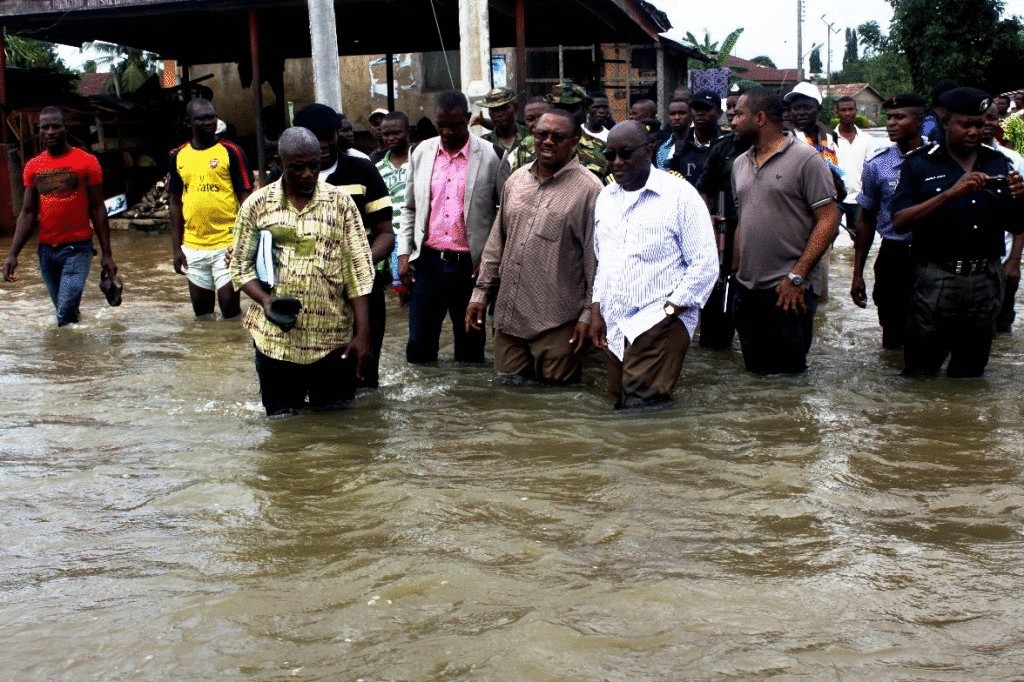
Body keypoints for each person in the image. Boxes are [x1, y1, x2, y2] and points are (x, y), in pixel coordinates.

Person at [230, 127, 375, 416]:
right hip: (275, 341)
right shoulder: (257, 206)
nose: (308, 174)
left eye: (314, 166)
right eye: (298, 168)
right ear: (279, 163)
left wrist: (363, 333)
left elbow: (357, 271)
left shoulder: (341, 204)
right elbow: (240, 266)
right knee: (283, 432)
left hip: (332, 339)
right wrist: (265, 301)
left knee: (338, 428)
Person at [891, 87, 1024, 377]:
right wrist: (950, 195)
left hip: (986, 278)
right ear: (946, 121)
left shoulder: (997, 162)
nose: (974, 131)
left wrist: (1019, 198)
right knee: (921, 369)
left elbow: (1016, 224)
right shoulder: (920, 163)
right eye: (966, 124)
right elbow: (899, 221)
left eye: (980, 124)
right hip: (936, 277)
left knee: (972, 371)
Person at [465, 110, 602, 384]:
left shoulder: (591, 191)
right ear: (533, 137)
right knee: (509, 402)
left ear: (574, 140)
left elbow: (596, 262)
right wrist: (480, 294)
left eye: (558, 136)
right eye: (542, 134)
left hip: (558, 323)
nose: (548, 141)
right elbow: (497, 242)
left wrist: (589, 314)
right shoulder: (515, 181)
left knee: (555, 406)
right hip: (509, 319)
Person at [590, 121, 718, 408]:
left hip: (660, 319)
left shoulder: (681, 196)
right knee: (619, 400)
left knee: (642, 408)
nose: (617, 163)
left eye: (625, 153)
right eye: (610, 155)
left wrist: (672, 309)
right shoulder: (606, 198)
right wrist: (596, 309)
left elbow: (705, 264)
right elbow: (604, 260)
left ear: (649, 151)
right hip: (615, 322)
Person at [731, 88, 840, 374]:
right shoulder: (740, 164)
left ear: (761, 118)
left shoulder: (807, 160)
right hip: (748, 290)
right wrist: (735, 278)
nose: (732, 119)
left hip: (789, 289)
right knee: (755, 375)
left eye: (739, 114)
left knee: (790, 381)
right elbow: (744, 219)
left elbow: (829, 219)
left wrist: (797, 275)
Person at [292, 102, 393, 389]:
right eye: (315, 137)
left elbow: (386, 233)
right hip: (312, 295)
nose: (323, 144)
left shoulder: (362, 170)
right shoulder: (288, 177)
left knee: (365, 376)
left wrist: (359, 264)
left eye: (329, 135)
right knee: (320, 377)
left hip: (362, 288)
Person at [397, 89, 500, 364]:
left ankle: (469, 405)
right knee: (418, 349)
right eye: (440, 125)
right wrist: (404, 254)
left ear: (467, 119)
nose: (447, 131)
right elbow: (409, 208)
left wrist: (488, 261)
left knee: (470, 351)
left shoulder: (491, 156)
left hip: (470, 267)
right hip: (428, 262)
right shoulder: (420, 152)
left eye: (454, 125)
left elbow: (503, 214)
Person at [3, 106, 118, 326]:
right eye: (45, 127)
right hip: (46, 252)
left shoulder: (86, 162)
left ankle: (67, 354)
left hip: (78, 250)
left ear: (65, 128)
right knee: (65, 313)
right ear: (39, 131)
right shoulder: (33, 167)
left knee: (64, 313)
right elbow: (27, 213)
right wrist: (12, 254)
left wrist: (107, 254)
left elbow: (98, 209)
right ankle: (73, 356)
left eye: (56, 126)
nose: (50, 131)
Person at [851, 93, 926, 350]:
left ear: (919, 121)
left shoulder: (940, 160)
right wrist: (857, 273)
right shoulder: (877, 165)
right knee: (892, 329)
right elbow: (866, 220)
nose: (892, 123)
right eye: (890, 117)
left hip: (932, 254)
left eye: (900, 117)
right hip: (894, 255)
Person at [168, 97, 252, 320]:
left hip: (227, 245)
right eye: (202, 118)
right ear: (189, 122)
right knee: (202, 316)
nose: (208, 122)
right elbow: (175, 203)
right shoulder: (178, 156)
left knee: (230, 311)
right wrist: (177, 249)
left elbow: (246, 200)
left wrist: (244, 245)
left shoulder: (232, 152)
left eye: (212, 117)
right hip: (194, 247)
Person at [694, 84, 755, 350]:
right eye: (729, 108)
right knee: (719, 297)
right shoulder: (722, 148)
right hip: (726, 232)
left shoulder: (779, 147)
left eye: (737, 109)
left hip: (762, 236)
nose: (732, 114)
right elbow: (704, 189)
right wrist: (708, 218)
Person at [982, 101, 1024, 333]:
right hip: (966, 268)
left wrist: (1015, 261)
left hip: (1004, 258)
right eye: (983, 118)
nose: (988, 124)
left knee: (1002, 325)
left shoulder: (1013, 160)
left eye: (993, 118)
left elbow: (1022, 212)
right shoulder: (949, 161)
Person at [375, 111, 414, 299]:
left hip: (416, 242)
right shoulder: (378, 169)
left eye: (396, 133)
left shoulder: (420, 160)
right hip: (391, 244)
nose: (390, 138)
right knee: (398, 295)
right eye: (386, 134)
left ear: (407, 132)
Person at [834, 95, 879, 238]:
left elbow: (873, 172)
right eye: (843, 110)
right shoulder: (827, 139)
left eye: (850, 109)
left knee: (860, 238)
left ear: (856, 111)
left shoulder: (868, 140)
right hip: (834, 198)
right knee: (828, 236)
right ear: (837, 113)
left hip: (859, 198)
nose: (847, 113)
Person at [662, 90, 723, 184]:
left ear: (719, 113)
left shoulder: (726, 146)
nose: (700, 113)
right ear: (690, 113)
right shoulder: (678, 149)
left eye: (706, 109)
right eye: (697, 109)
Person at [474, 87, 528, 153]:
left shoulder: (531, 136)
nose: (499, 114)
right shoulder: (484, 143)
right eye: (493, 110)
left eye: (504, 108)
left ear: (515, 108)